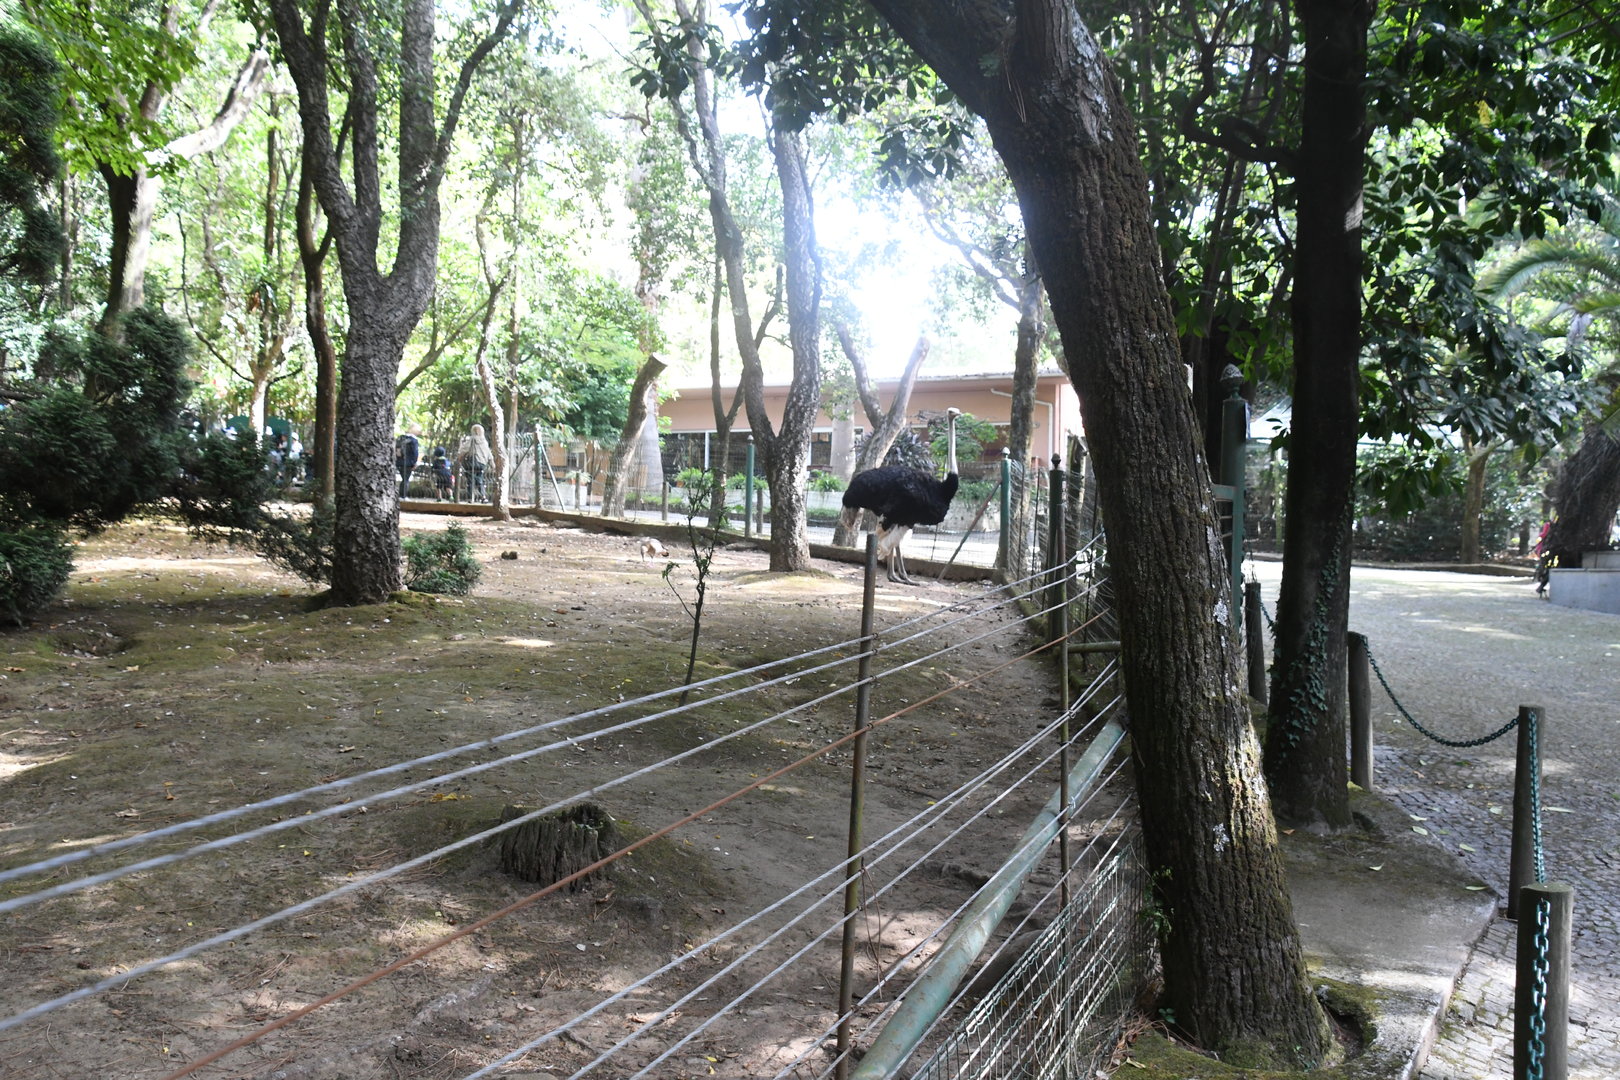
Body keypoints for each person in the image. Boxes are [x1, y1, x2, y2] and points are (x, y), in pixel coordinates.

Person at [457, 423, 493, 501]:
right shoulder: (485, 442)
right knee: (479, 479)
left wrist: (459, 457)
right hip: (482, 463)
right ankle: (483, 496)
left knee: (470, 480)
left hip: (473, 462)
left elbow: (465, 449)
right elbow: (489, 454)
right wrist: (492, 464)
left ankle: (471, 497)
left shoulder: (472, 439)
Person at [396, 430, 421, 498]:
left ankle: (400, 495)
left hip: (399, 462)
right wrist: (414, 463)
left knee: (404, 479)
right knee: (406, 480)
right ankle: (403, 496)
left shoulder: (400, 438)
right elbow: (415, 453)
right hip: (408, 463)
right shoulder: (414, 440)